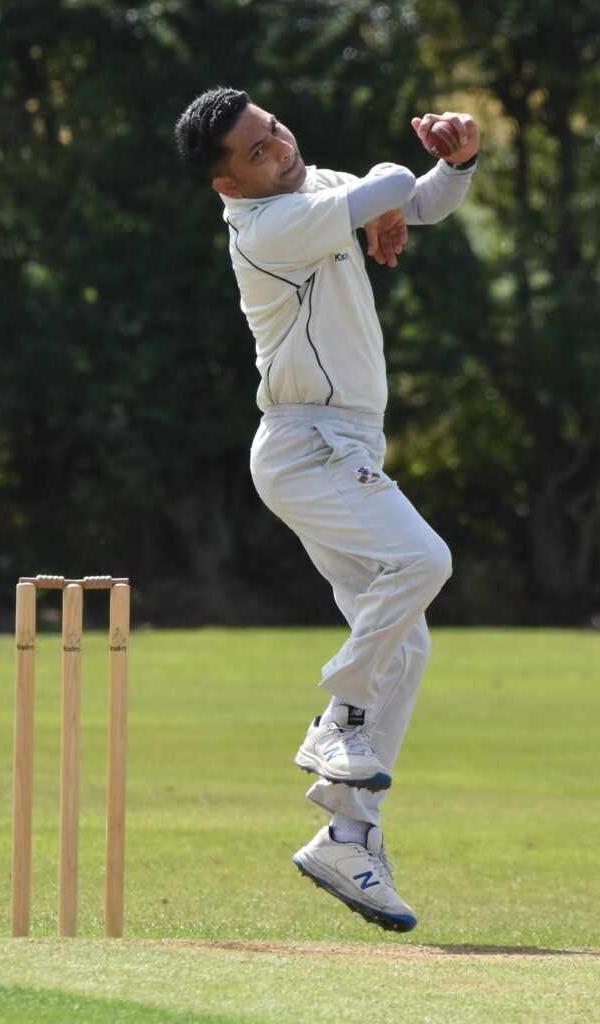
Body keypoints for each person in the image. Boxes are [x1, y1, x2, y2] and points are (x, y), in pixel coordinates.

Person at [175, 88, 479, 933]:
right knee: (423, 563)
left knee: (408, 643)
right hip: (307, 445)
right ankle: (338, 712)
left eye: (273, 129)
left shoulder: (309, 194)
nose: (279, 146)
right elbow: (386, 187)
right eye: (257, 150)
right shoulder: (266, 228)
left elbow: (415, 203)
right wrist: (383, 196)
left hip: (345, 445)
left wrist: (456, 163)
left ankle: (348, 836)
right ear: (229, 185)